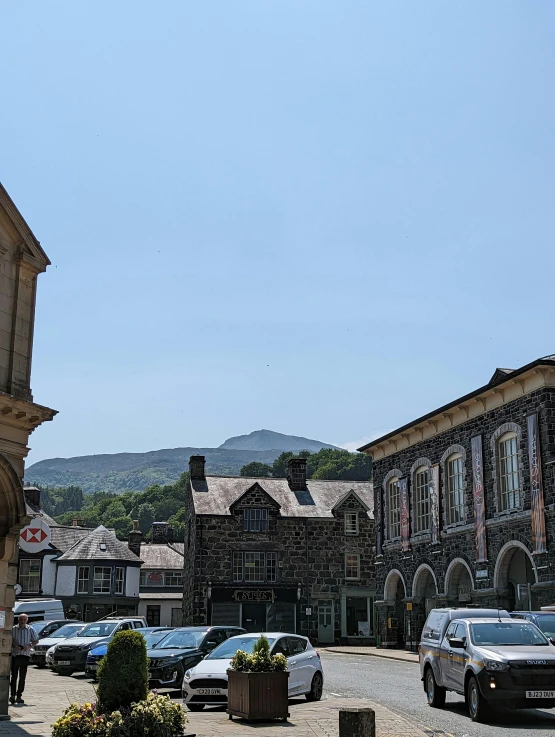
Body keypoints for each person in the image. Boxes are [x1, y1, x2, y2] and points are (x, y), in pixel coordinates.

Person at [10, 613, 38, 704]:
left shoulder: (30, 629)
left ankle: (19, 696)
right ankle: (12, 695)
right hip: (15, 655)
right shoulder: (13, 629)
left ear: (26, 621)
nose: (22, 622)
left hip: (25, 656)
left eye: (24, 620)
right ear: (18, 620)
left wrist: (29, 646)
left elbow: (36, 640)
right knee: (14, 676)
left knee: (22, 677)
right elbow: (9, 640)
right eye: (21, 620)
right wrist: (14, 645)